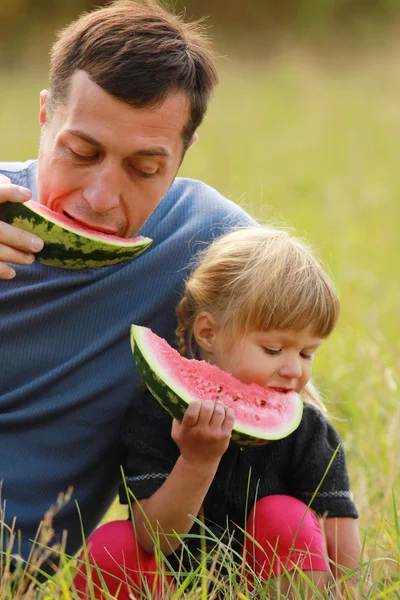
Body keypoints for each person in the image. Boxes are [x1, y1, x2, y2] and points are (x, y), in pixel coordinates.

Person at [0, 0, 256, 564]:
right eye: (81, 152)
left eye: (143, 169)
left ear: (182, 156)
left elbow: (291, 347)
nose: (99, 198)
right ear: (45, 116)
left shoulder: (206, 241)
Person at [74, 226, 362, 599]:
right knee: (113, 546)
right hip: (170, 586)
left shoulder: (307, 431)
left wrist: (352, 591)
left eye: (307, 353)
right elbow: (153, 537)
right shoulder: (154, 415)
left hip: (265, 588)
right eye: (273, 350)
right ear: (208, 333)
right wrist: (197, 460)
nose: (294, 369)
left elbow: (339, 539)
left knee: (285, 517)